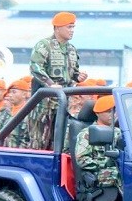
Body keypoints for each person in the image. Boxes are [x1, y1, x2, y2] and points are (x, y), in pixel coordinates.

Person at [28, 11, 89, 150]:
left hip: (62, 103)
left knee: (58, 142)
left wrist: (78, 76)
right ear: (57, 28)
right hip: (43, 104)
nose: (72, 30)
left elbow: (72, 73)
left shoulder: (72, 50)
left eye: (73, 27)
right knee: (40, 141)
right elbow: (35, 67)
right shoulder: (44, 45)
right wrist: (49, 84)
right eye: (69, 27)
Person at [74, 95, 122, 197]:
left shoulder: (119, 132)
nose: (113, 114)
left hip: (119, 168)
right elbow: (81, 159)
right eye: (108, 111)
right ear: (97, 113)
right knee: (117, 174)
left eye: (115, 110)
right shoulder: (87, 133)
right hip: (97, 173)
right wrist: (104, 164)